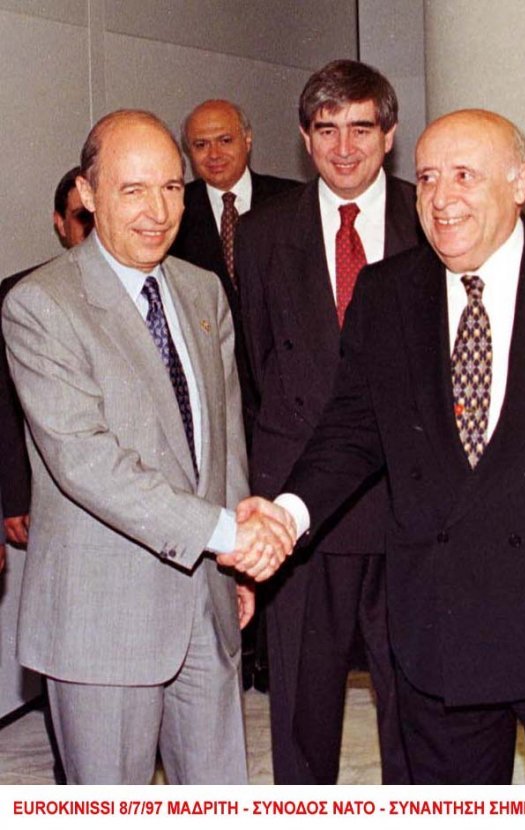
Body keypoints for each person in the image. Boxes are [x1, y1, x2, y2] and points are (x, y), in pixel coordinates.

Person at [243, 108, 525, 783]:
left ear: (519, 183)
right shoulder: (387, 293)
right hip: (440, 628)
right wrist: (288, 513)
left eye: (463, 176)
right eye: (426, 178)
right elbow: (353, 429)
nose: (440, 199)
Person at [1, 109, 293, 784]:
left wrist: (234, 566)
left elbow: (223, 438)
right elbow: (86, 461)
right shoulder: (42, 304)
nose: (158, 212)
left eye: (169, 188)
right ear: (87, 193)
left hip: (205, 602)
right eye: (133, 190)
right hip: (104, 616)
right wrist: (228, 535)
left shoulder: (201, 291)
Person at [235, 59, 422, 784]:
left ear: (390, 135)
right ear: (304, 138)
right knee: (301, 714)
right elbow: (259, 368)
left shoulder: (429, 217)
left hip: (410, 503)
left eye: (361, 129)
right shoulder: (262, 233)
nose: (344, 148)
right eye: (326, 129)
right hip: (300, 510)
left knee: (417, 705)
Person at [170, 100, 299, 691]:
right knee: (226, 518)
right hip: (214, 402)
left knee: (277, 521)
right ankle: (235, 648)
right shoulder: (174, 213)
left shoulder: (291, 201)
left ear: (248, 139)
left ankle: (274, 654)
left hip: (283, 397)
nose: (214, 154)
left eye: (224, 140)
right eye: (200, 145)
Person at [0, 167, 93, 548]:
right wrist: (15, 494)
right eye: (82, 217)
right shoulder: (22, 294)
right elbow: (6, 405)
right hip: (52, 494)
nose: (93, 227)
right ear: (60, 224)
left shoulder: (156, 291)